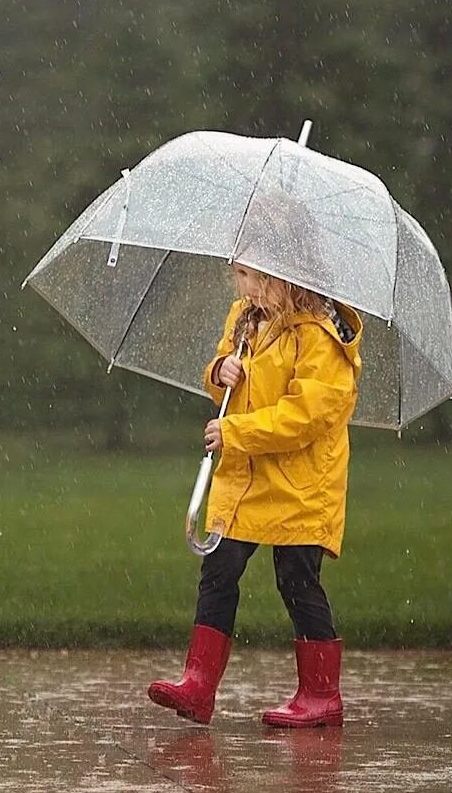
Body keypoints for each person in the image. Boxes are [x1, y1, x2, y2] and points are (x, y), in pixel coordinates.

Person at [148, 261, 362, 727]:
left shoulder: (320, 336)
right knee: (218, 570)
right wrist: (217, 370)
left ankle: (321, 694)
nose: (237, 282)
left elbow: (306, 416)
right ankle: (198, 685)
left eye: (246, 274)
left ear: (278, 276)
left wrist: (236, 432)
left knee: (297, 580)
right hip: (244, 478)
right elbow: (228, 387)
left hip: (303, 484)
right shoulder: (244, 320)